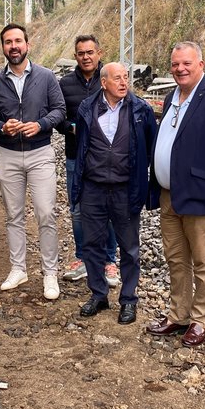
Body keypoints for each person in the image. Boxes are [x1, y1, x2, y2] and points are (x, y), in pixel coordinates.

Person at [148, 41, 205, 348]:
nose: (180, 69)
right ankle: (179, 314)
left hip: (201, 196)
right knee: (175, 259)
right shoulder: (171, 97)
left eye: (187, 63)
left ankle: (201, 320)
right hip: (169, 195)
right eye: (175, 64)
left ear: (201, 64)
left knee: (203, 261)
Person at [0, 23, 66, 299]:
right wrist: (1, 127)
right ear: (3, 47)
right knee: (13, 215)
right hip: (7, 155)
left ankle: (50, 273)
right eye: (8, 42)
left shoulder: (45, 76)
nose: (14, 46)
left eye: (18, 41)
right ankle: (18, 268)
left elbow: (60, 111)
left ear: (27, 45)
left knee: (46, 213)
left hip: (40, 153)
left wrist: (40, 125)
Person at [70, 63, 157, 324]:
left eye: (125, 77)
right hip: (93, 189)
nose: (123, 82)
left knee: (129, 249)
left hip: (125, 189)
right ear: (103, 82)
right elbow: (82, 146)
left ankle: (128, 300)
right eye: (117, 78)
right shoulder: (87, 108)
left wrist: (146, 184)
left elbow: (150, 149)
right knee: (92, 245)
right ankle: (98, 294)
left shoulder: (141, 110)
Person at [56, 35, 120, 288]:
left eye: (90, 52)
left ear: (99, 53)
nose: (86, 57)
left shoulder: (110, 79)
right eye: (81, 53)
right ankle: (83, 258)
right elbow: (57, 116)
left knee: (109, 209)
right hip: (75, 157)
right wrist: (72, 128)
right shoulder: (64, 84)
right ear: (75, 56)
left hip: (107, 158)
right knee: (78, 209)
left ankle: (109, 261)